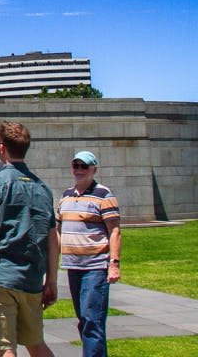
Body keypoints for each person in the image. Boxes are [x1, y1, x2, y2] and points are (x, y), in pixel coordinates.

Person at [0, 122, 59, 357]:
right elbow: (53, 238)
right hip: (32, 279)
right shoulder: (44, 189)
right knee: (36, 343)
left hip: (1, 279)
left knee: (3, 346)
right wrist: (52, 280)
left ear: (1, 149)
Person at [57, 151, 121, 357]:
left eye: (83, 166)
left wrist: (114, 263)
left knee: (92, 320)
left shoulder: (104, 195)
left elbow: (115, 231)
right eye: (75, 165)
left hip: (95, 267)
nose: (78, 170)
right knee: (84, 320)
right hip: (73, 266)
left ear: (94, 169)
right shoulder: (66, 196)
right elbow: (58, 231)